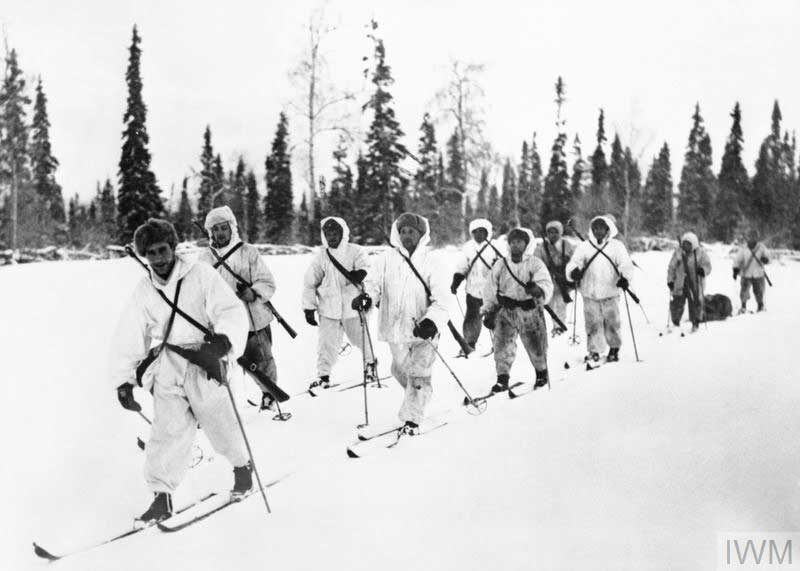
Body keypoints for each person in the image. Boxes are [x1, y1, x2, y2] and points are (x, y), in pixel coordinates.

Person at [110, 218, 252, 524]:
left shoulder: (200, 275)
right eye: (151, 253)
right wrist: (123, 381)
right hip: (169, 363)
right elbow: (130, 334)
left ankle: (243, 469)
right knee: (167, 431)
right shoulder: (145, 289)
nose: (158, 258)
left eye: (162, 250)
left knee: (221, 422)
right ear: (144, 255)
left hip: (206, 359)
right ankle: (162, 497)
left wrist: (225, 339)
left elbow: (230, 310)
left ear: (173, 247)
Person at [351, 213, 449, 435]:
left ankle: (412, 418)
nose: (406, 236)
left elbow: (443, 298)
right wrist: (367, 297)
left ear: (421, 234)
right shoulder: (386, 259)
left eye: (411, 231)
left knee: (418, 373)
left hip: (423, 330)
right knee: (399, 370)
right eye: (402, 231)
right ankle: (421, 395)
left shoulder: (432, 261)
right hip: (395, 329)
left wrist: (432, 321)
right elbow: (373, 285)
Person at [199, 206, 279, 410]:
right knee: (223, 365)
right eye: (215, 229)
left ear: (232, 228)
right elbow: (199, 291)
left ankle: (269, 396)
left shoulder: (248, 251)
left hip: (253, 317)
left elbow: (267, 281)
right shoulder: (205, 258)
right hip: (222, 322)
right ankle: (224, 406)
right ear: (210, 232)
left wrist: (253, 292)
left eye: (224, 228)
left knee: (261, 361)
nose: (220, 233)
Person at [302, 216, 377, 389]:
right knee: (326, 345)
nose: (332, 237)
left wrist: (361, 274)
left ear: (343, 233)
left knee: (362, 339)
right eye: (328, 234)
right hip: (328, 309)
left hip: (353, 307)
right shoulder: (321, 257)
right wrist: (309, 307)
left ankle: (370, 365)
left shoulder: (355, 251)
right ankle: (323, 375)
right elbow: (310, 283)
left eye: (335, 233)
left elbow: (368, 270)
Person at [482, 228, 554, 392]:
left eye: (519, 242)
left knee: (535, 344)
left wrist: (537, 289)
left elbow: (546, 282)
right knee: (502, 345)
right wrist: (488, 310)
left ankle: (541, 373)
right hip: (505, 310)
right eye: (512, 242)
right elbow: (490, 288)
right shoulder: (501, 264)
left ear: (526, 244)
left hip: (529, 310)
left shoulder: (535, 263)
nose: (515, 245)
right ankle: (502, 378)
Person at [565, 215, 634, 365]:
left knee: (612, 322)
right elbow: (575, 262)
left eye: (601, 228)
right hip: (590, 291)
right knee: (592, 323)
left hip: (611, 291)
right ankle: (594, 350)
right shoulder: (584, 247)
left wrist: (625, 277)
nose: (598, 231)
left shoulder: (617, 246)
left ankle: (614, 348)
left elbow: (625, 264)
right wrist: (573, 271)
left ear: (608, 229)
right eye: (595, 228)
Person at [450, 219, 500, 352]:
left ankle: (499, 343)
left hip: (493, 291)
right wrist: (456, 281)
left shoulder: (495, 246)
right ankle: (469, 343)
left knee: (495, 318)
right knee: (472, 319)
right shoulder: (468, 247)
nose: (478, 234)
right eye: (475, 232)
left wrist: (498, 265)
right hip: (473, 291)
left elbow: (505, 264)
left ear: (487, 232)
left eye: (482, 231)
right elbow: (463, 266)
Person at [533, 220, 575, 334]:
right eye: (550, 232)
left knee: (561, 303)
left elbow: (574, 259)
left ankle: (560, 326)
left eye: (555, 232)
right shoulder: (541, 247)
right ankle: (552, 325)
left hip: (563, 279)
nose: (552, 235)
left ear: (560, 232)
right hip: (548, 279)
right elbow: (536, 261)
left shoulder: (567, 245)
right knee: (549, 304)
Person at [667, 232, 712, 332]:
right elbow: (671, 267)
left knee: (695, 302)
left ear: (693, 244)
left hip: (695, 283)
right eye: (684, 243)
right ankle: (675, 323)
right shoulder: (678, 252)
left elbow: (708, 266)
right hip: (680, 282)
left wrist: (703, 270)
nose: (686, 246)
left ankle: (695, 323)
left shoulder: (700, 253)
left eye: (688, 244)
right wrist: (670, 280)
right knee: (677, 302)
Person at [733, 230, 770, 313]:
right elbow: (738, 259)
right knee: (744, 291)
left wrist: (766, 260)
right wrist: (735, 269)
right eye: (750, 236)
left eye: (754, 236)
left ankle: (760, 306)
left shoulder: (761, 247)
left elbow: (768, 257)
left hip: (758, 273)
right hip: (746, 273)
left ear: (757, 237)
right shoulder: (743, 248)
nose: (752, 238)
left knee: (759, 291)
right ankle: (743, 306)